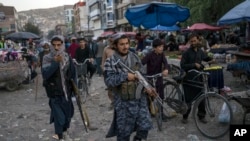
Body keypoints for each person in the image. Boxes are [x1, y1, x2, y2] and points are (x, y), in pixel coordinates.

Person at [104, 34, 154, 141]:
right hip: (123, 103)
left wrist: (148, 86)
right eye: (122, 44)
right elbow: (109, 81)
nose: (125, 46)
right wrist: (125, 76)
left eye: (127, 43)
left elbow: (142, 74)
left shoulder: (135, 57)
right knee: (124, 133)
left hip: (139, 99)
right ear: (116, 46)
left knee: (145, 126)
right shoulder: (111, 61)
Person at [41, 35, 75, 141]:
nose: (56, 47)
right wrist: (55, 62)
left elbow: (72, 75)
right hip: (54, 92)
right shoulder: (47, 58)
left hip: (66, 92)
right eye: (54, 45)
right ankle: (60, 136)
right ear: (51, 45)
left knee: (67, 114)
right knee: (59, 116)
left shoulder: (67, 57)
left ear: (62, 45)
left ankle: (65, 132)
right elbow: (46, 74)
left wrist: (75, 89)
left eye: (59, 45)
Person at [180, 33, 213, 124]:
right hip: (189, 79)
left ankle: (201, 116)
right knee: (188, 99)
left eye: (195, 41)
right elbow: (182, 65)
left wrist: (211, 58)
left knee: (201, 97)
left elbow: (205, 58)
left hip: (199, 78)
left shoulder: (200, 51)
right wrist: (193, 65)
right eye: (191, 41)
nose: (193, 43)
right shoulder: (186, 53)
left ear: (198, 40)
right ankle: (185, 116)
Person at [141, 38, 169, 121]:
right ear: (155, 47)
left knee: (161, 97)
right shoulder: (149, 55)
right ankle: (148, 113)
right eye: (160, 47)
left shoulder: (162, 55)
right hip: (150, 78)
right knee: (150, 97)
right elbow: (142, 63)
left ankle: (161, 113)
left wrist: (166, 69)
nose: (161, 48)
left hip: (159, 77)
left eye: (162, 46)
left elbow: (166, 63)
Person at [101, 36, 115, 109]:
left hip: (117, 71)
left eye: (112, 41)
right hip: (108, 71)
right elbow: (103, 60)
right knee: (109, 89)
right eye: (110, 41)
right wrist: (103, 69)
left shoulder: (118, 48)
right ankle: (112, 101)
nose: (111, 43)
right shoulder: (106, 49)